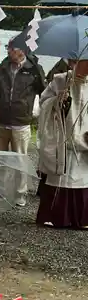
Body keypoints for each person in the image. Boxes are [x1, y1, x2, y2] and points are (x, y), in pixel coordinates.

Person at [0, 38, 46, 207]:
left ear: (22, 50)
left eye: (12, 48)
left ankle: (20, 194)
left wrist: (31, 109)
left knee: (20, 160)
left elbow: (43, 92)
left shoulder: (34, 69)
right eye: (8, 48)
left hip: (21, 122)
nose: (9, 51)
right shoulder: (3, 66)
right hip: (2, 121)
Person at [37, 60, 88, 228]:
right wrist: (57, 100)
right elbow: (43, 103)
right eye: (85, 63)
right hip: (62, 137)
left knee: (82, 177)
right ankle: (54, 216)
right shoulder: (60, 80)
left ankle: (81, 219)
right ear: (76, 62)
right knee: (59, 176)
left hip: (84, 140)